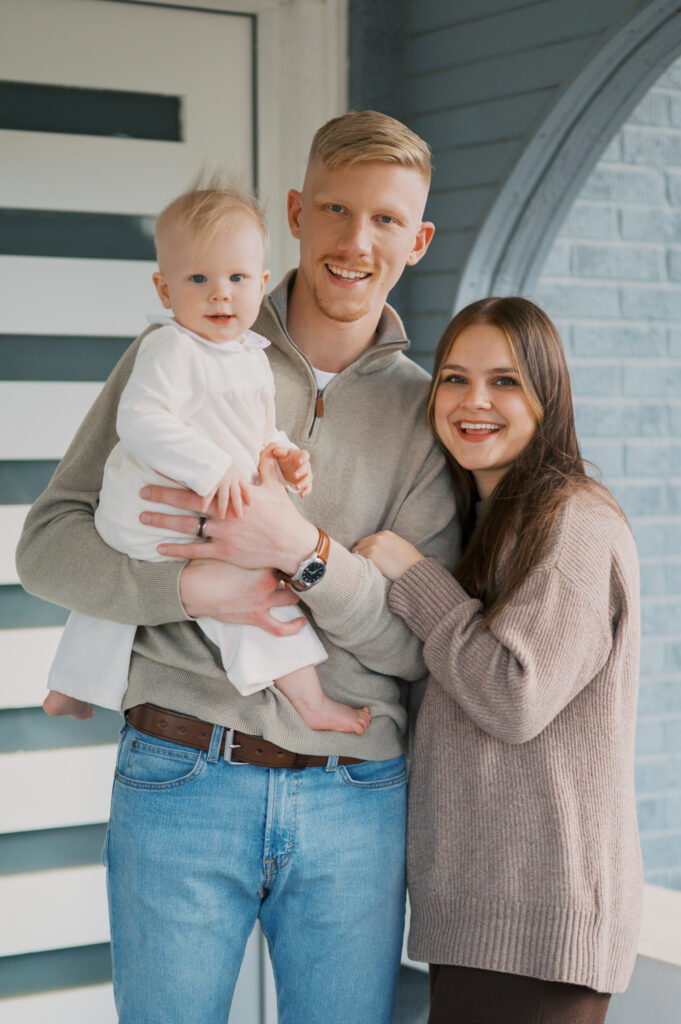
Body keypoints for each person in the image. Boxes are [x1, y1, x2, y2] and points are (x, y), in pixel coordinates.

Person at [16, 111, 459, 1024]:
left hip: (356, 792)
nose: (354, 241)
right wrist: (188, 585)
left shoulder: (431, 414)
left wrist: (302, 554)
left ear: (415, 241)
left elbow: (419, 649)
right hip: (182, 772)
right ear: (296, 211)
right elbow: (48, 545)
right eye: (335, 209)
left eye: (384, 220)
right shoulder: (174, 351)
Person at [355, 296, 643, 1024]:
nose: (472, 400)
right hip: (484, 923)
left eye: (504, 381)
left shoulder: (572, 523)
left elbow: (514, 695)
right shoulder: (488, 522)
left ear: (547, 397)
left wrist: (413, 579)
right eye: (453, 378)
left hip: (538, 929)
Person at [44, 181, 371, 736]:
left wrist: (285, 454)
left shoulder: (249, 355)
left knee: (128, 602)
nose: (220, 295)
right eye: (198, 279)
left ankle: (68, 688)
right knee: (253, 596)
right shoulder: (170, 346)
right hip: (151, 504)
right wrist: (212, 468)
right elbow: (141, 419)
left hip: (197, 511)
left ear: (261, 284)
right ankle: (310, 703)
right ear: (164, 288)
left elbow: (257, 427)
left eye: (237, 279)